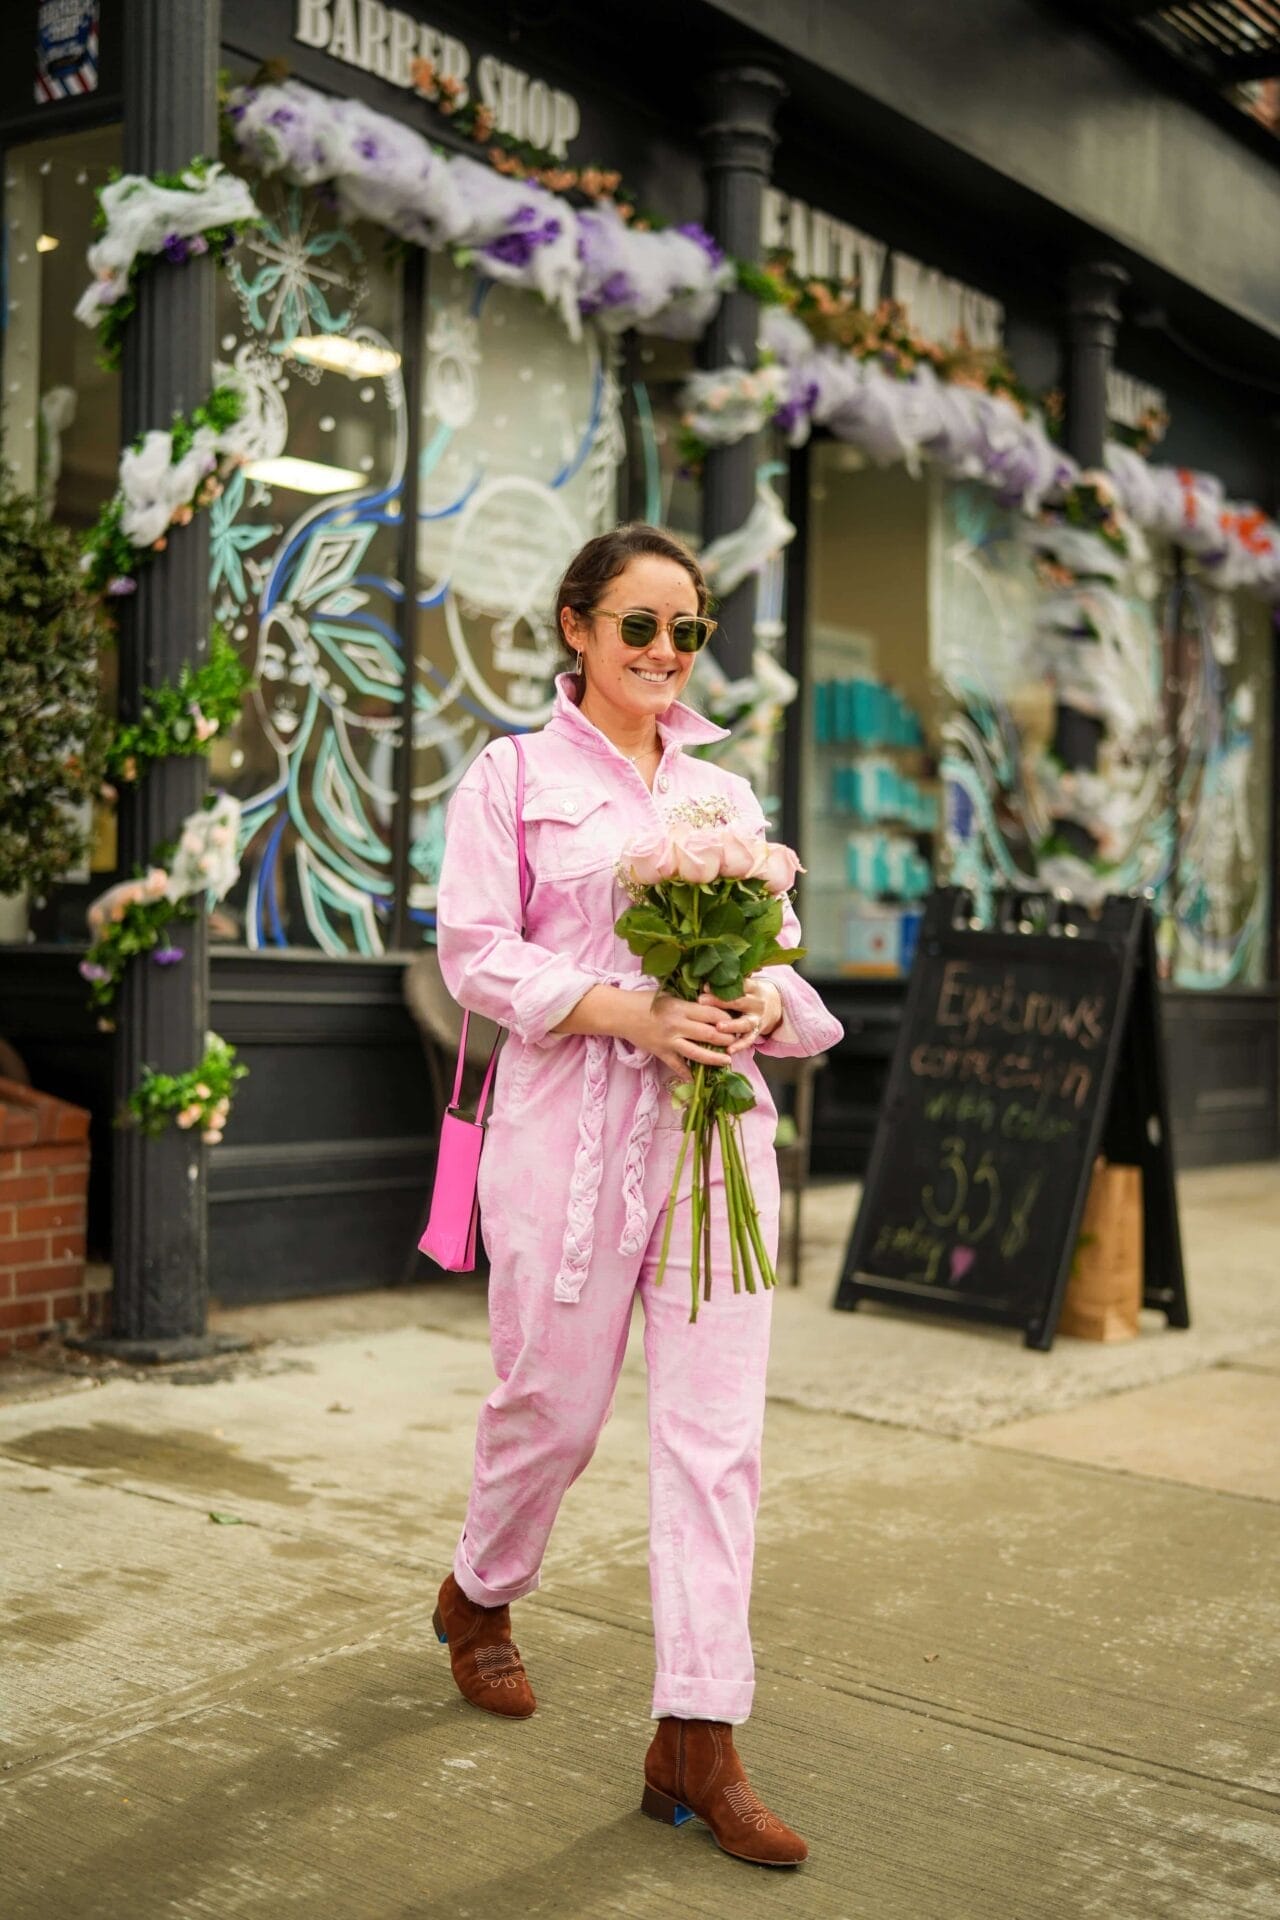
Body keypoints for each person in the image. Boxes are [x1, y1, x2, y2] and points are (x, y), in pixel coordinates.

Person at [433, 523, 842, 1868]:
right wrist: (629, 1009)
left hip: (715, 1153)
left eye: (690, 631)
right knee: (548, 1408)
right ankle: (481, 1596)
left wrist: (750, 1001)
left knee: (717, 1445)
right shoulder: (512, 776)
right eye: (640, 628)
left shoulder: (723, 801)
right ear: (577, 628)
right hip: (566, 1143)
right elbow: (476, 956)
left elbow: (783, 967)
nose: (667, 653)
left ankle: (698, 1740)